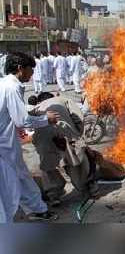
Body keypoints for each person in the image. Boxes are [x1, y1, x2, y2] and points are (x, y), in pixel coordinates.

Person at [0, 52, 59, 223]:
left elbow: (12, 108)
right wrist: (46, 119)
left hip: (7, 145)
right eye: (30, 70)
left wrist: (29, 107)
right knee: (9, 189)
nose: (32, 74)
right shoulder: (12, 87)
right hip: (4, 147)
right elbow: (21, 120)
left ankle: (39, 209)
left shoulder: (5, 84)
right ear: (20, 69)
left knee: (22, 177)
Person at [32, 92, 99, 206]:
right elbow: (78, 117)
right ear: (53, 97)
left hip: (43, 139)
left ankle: (54, 196)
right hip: (64, 132)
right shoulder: (62, 100)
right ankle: (88, 189)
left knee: (48, 166)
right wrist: (77, 135)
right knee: (76, 162)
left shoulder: (36, 108)